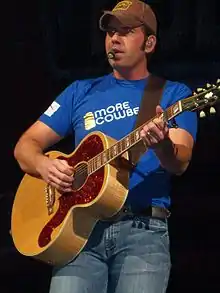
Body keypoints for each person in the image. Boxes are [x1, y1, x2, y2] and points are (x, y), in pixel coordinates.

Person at [14, 1, 197, 292]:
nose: (114, 38)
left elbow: (181, 162)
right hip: (78, 231)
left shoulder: (174, 95)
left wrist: (162, 145)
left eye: (125, 31)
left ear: (149, 43)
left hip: (143, 234)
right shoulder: (79, 91)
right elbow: (25, 146)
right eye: (111, 31)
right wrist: (45, 165)